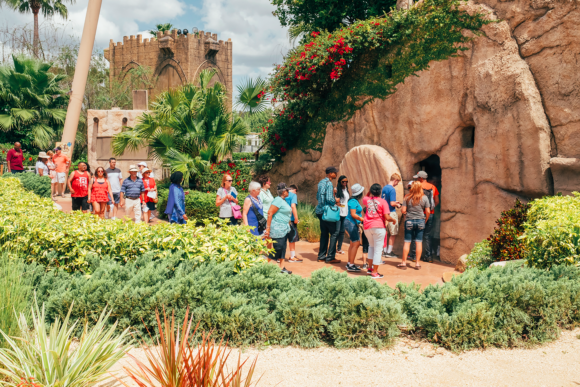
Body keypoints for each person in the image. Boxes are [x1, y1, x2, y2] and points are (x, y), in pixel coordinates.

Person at [363, 184, 396, 279]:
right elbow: (386, 217)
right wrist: (393, 220)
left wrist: (370, 191)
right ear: (380, 192)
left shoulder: (367, 200)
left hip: (367, 227)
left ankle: (370, 268)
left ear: (371, 191)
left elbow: (366, 196)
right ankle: (375, 272)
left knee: (371, 247)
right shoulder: (383, 202)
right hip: (378, 227)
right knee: (378, 250)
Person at [408, 171, 439, 263]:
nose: (417, 179)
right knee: (427, 235)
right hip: (430, 213)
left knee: (415, 234)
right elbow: (436, 201)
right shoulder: (433, 187)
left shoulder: (416, 186)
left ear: (421, 178)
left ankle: (414, 256)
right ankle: (428, 256)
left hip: (418, 214)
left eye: (418, 177)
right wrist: (430, 209)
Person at [400, 181, 431, 270]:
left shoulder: (407, 197)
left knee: (407, 242)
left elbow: (403, 211)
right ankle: (417, 263)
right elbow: (428, 211)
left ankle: (403, 262)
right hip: (420, 221)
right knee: (418, 242)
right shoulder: (424, 198)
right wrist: (425, 220)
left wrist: (407, 214)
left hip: (409, 221)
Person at [264, 183, 293, 274]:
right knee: (278, 247)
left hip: (283, 228)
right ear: (284, 192)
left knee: (283, 247)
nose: (288, 192)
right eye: (287, 190)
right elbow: (270, 213)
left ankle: (282, 268)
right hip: (277, 228)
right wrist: (268, 228)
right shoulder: (277, 200)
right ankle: (266, 267)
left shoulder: (282, 200)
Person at [315, 166, 341, 264]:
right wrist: (336, 200)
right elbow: (329, 199)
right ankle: (330, 257)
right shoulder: (329, 183)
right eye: (335, 172)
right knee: (334, 233)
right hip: (328, 212)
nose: (336, 174)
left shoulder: (321, 182)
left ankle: (321, 256)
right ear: (330, 174)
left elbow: (318, 196)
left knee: (324, 234)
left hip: (320, 211)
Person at [344, 183, 365, 272]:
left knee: (353, 243)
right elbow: (353, 214)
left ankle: (349, 263)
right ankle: (351, 265)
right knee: (356, 243)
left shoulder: (353, 201)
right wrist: (362, 219)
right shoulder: (353, 201)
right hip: (351, 223)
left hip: (350, 223)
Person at [381, 173, 402, 258]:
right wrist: (397, 204)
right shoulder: (392, 189)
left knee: (385, 232)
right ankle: (389, 252)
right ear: (395, 180)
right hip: (391, 212)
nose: (397, 184)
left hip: (384, 212)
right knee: (393, 233)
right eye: (397, 182)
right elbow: (392, 203)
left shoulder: (384, 188)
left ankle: (384, 250)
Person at [285, 184, 302, 262]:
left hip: (281, 220)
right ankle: (292, 257)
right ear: (295, 190)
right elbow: (293, 206)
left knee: (282, 239)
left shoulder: (282, 195)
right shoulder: (293, 195)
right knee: (292, 238)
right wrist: (296, 218)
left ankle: (279, 257)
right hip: (290, 220)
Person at [258, 174, 274, 250]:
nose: (270, 183)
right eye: (268, 181)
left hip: (270, 217)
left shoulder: (268, 191)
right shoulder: (260, 193)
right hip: (264, 218)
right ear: (264, 183)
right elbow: (259, 206)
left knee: (269, 236)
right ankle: (259, 253)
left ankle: (269, 253)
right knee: (264, 236)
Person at [334, 175, 350, 255]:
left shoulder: (346, 190)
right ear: (340, 182)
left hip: (345, 213)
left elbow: (346, 202)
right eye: (343, 181)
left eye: (346, 181)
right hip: (338, 213)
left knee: (342, 231)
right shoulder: (336, 190)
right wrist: (342, 205)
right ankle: (333, 248)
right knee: (336, 231)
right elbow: (335, 203)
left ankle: (339, 248)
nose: (345, 183)